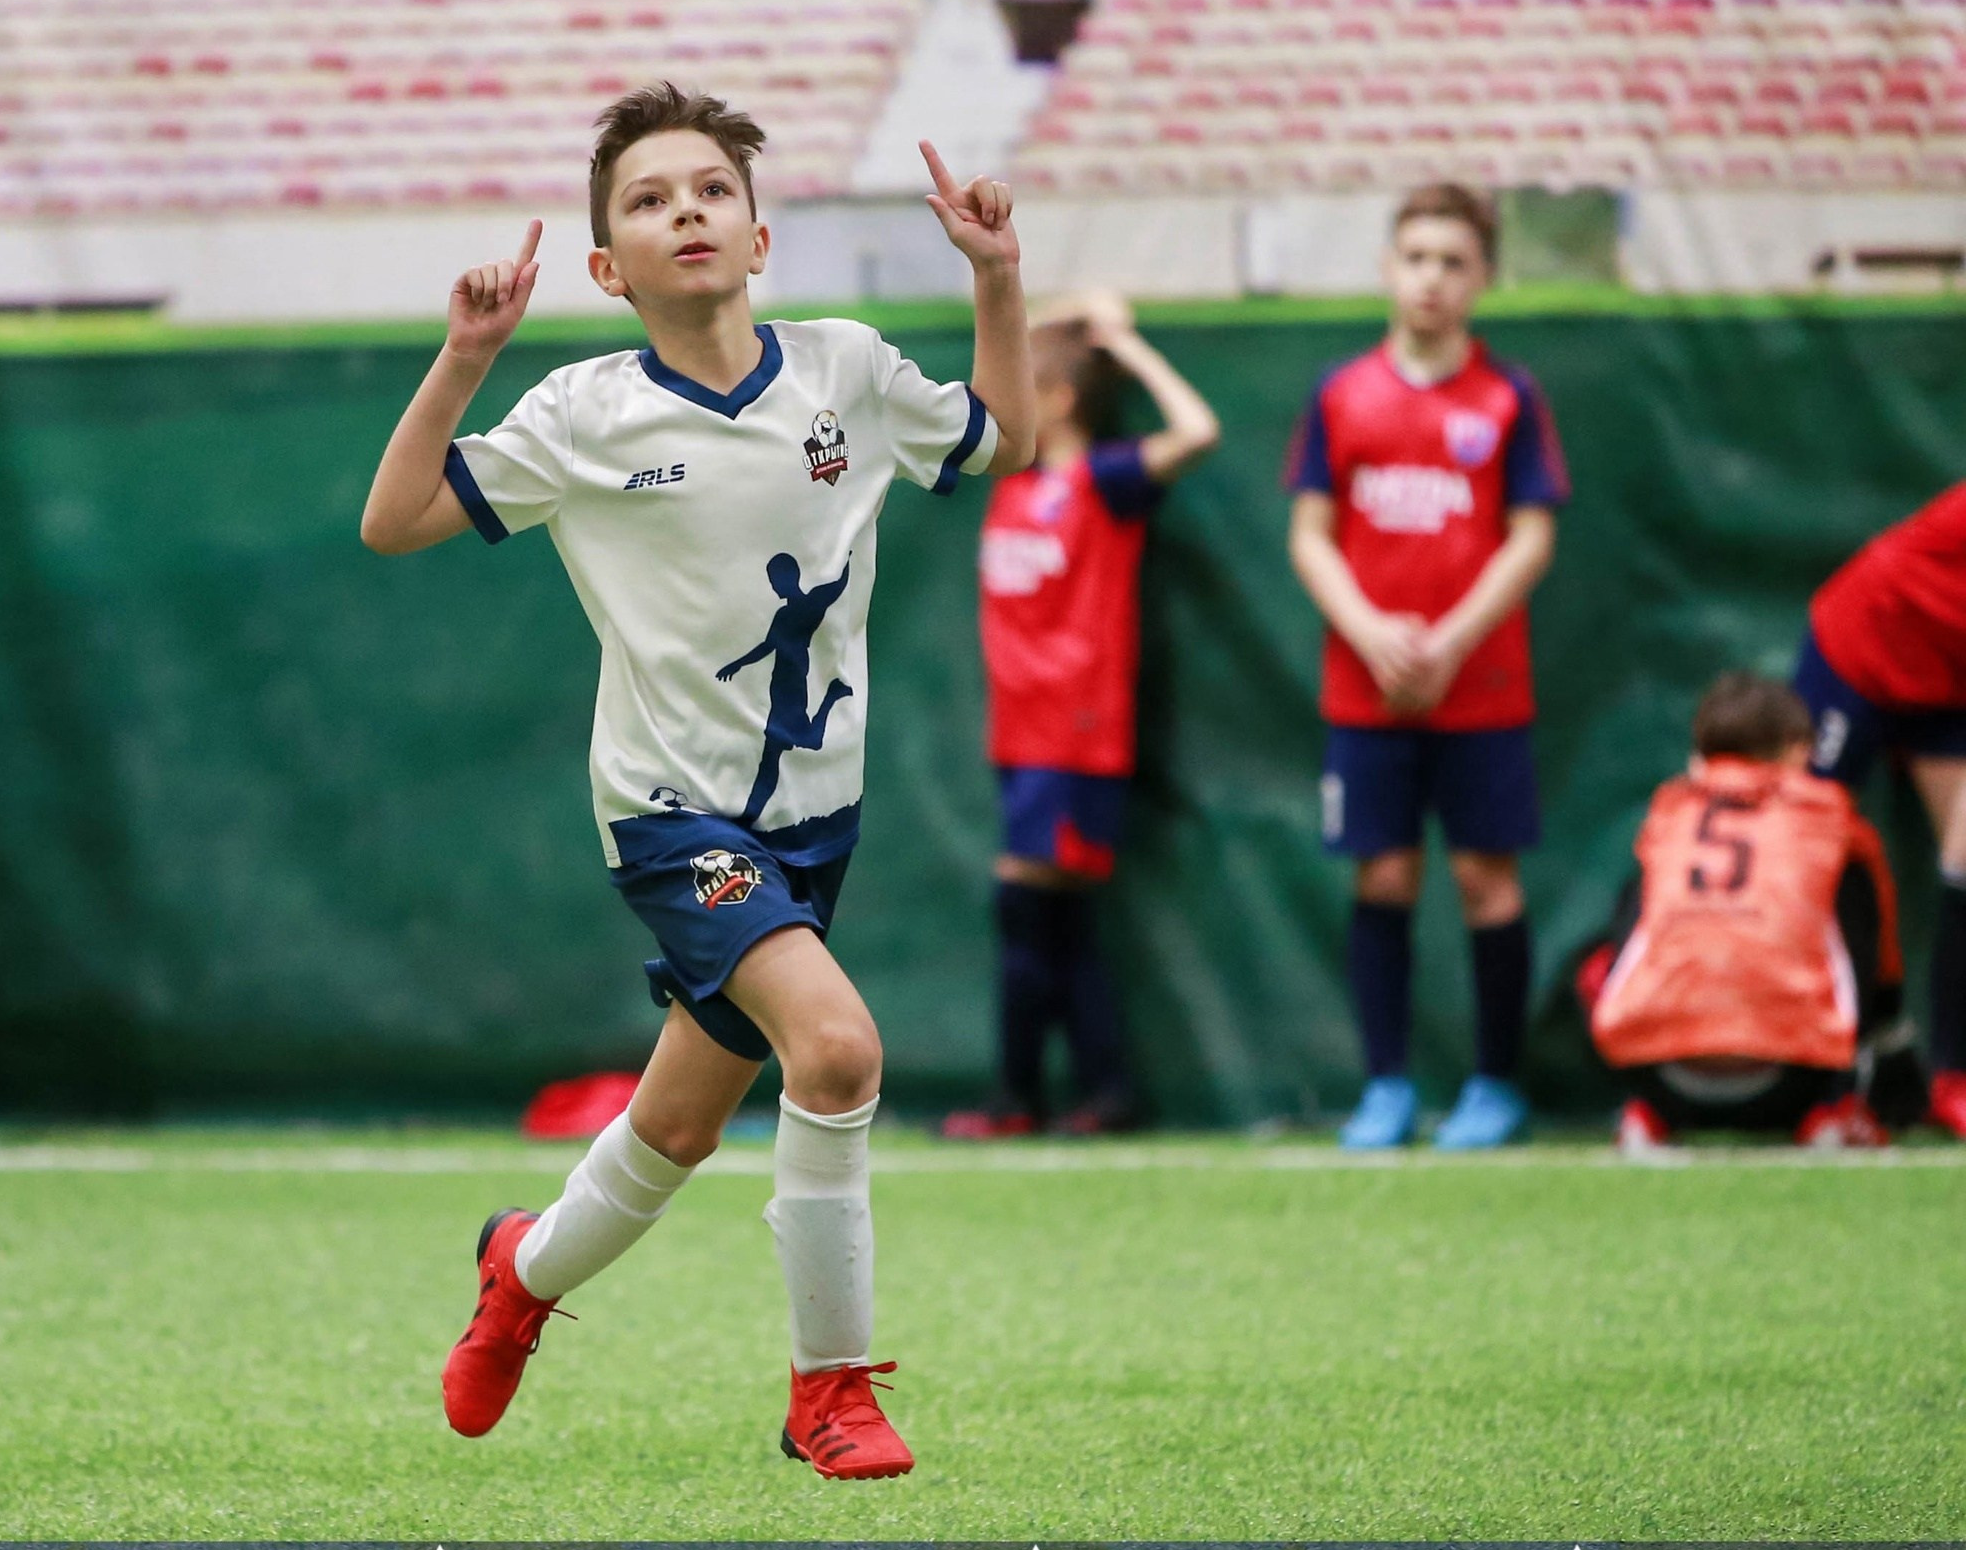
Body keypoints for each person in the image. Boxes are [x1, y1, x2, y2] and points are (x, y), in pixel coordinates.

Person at [359, 82, 1034, 1479]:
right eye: (651, 200)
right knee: (837, 1050)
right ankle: (827, 1390)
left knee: (672, 1127)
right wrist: (463, 357)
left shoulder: (843, 369)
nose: (687, 213)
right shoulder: (582, 410)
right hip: (673, 819)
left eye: (710, 191)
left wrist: (997, 280)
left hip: (816, 821)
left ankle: (521, 1275)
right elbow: (393, 521)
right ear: (608, 266)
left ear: (759, 233)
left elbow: (1002, 438)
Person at [1285, 182, 1568, 1150]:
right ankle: (1386, 1088)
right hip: (1366, 691)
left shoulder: (1509, 397)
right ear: (1387, 268)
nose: (1432, 279)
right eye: (1416, 257)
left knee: (1488, 880)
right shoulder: (1341, 393)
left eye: (1453, 261)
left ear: (1483, 277)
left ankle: (1494, 1085)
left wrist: (1448, 640)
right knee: (1385, 877)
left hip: (1480, 689)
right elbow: (1311, 533)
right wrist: (1370, 630)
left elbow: (1529, 536)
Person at [942, 290, 1219, 1139]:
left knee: (1032, 909)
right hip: (1020, 737)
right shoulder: (1013, 485)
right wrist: (1056, 310)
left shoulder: (1102, 481)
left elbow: (1197, 431)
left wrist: (1124, 343)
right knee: (1056, 922)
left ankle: (1026, 1096)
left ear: (1058, 398)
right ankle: (1092, 1093)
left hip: (1075, 733)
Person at [1583, 674, 1904, 1151]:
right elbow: (1882, 965)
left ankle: (1643, 1111)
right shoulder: (1830, 817)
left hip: (1663, 1081)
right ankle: (1836, 1105)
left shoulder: (1668, 813)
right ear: (1798, 749)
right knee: (1846, 899)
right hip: (1791, 1084)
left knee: (1609, 956)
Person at [1791, 483, 1966, 1139]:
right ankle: (1810, 1078)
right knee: (1801, 845)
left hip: (1950, 675)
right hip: (1862, 645)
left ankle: (1952, 1079)